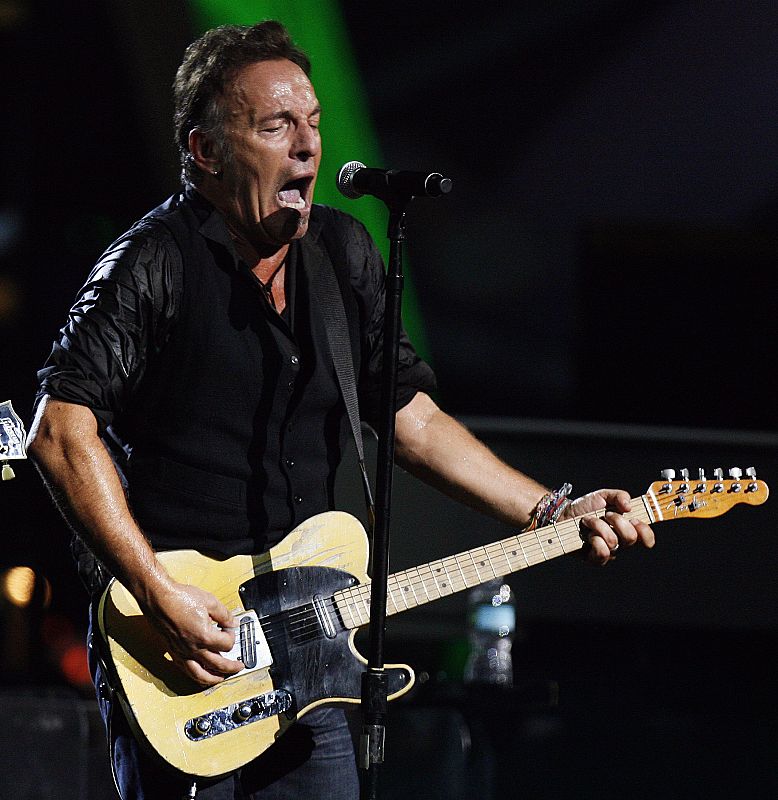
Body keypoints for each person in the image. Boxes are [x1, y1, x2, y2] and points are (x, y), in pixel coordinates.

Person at [26, 20, 655, 800]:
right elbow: (60, 429)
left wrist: (551, 509)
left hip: (311, 643)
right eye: (275, 126)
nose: (307, 146)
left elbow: (408, 416)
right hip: (183, 648)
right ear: (206, 152)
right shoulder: (154, 262)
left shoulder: (343, 252)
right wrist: (157, 591)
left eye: (314, 123)